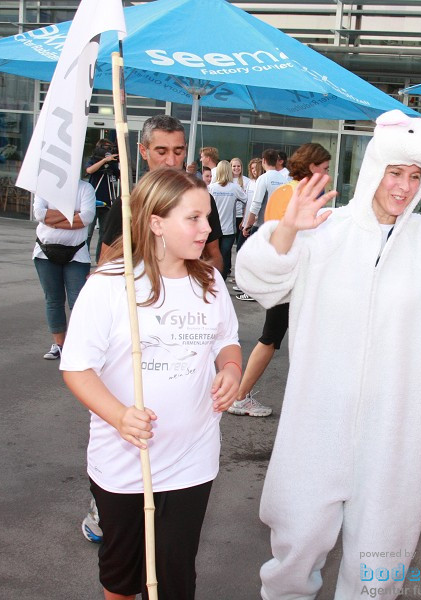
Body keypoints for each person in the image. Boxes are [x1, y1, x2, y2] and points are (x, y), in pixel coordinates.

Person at [236, 109, 421, 600]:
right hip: (319, 420)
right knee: (297, 540)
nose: (403, 186)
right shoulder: (324, 230)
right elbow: (260, 280)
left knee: (381, 555)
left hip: (397, 428)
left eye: (415, 176)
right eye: (395, 172)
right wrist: (289, 228)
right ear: (376, 166)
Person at [61, 169, 242, 600]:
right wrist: (120, 415)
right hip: (126, 464)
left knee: (176, 577)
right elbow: (77, 368)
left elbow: (227, 341)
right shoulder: (110, 285)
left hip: (193, 458)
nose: (207, 229)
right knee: (123, 578)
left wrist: (231, 371)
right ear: (157, 222)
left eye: (207, 218)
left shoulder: (210, 281)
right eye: (194, 218)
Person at [228, 143, 331, 418]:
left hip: (281, 275)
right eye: (325, 168)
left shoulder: (283, 189)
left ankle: (243, 395)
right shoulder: (304, 193)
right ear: (312, 167)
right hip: (294, 278)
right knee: (275, 338)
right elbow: (302, 237)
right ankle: (241, 396)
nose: (327, 174)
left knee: (274, 338)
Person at [99, 115, 223, 275]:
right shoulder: (128, 205)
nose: (171, 161)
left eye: (178, 151)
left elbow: (214, 257)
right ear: (144, 151)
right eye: (161, 152)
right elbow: (106, 264)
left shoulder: (201, 200)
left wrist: (200, 283)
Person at [32, 180, 96, 360]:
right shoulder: (45, 187)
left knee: (78, 302)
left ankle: (79, 345)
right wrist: (72, 215)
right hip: (45, 251)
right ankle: (59, 344)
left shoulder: (85, 188)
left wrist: (52, 220)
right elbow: (39, 214)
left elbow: (87, 218)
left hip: (76, 253)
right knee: (53, 300)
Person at [235, 149, 289, 301]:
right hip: (277, 226)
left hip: (262, 225)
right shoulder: (283, 179)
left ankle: (252, 292)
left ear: (264, 161)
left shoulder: (263, 179)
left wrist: (248, 225)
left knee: (255, 259)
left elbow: (256, 204)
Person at [208, 160, 246, 279]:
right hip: (228, 229)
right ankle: (221, 283)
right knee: (224, 257)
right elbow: (246, 200)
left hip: (213, 229)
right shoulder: (235, 188)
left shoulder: (211, 188)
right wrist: (245, 216)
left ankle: (211, 280)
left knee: (212, 257)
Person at [85, 138, 120, 261]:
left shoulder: (112, 164)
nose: (108, 151)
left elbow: (120, 175)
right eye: (106, 148)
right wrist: (104, 161)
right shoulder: (94, 160)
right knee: (88, 233)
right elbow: (89, 170)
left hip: (107, 203)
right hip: (92, 202)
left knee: (104, 234)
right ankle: (84, 258)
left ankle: (100, 259)